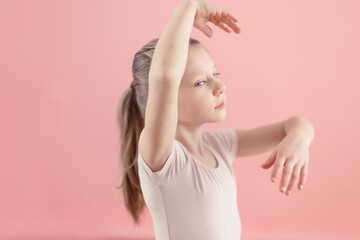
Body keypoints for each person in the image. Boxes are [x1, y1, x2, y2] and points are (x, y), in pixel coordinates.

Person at [116, 0, 314, 239]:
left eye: (215, 74)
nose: (220, 86)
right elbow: (166, 75)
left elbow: (292, 125)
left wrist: (300, 137)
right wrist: (188, 8)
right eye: (200, 82)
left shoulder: (219, 146)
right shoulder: (162, 158)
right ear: (164, 101)